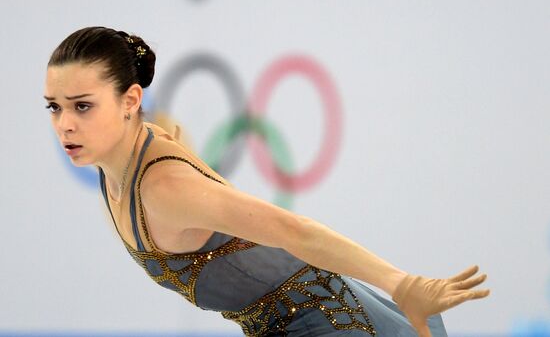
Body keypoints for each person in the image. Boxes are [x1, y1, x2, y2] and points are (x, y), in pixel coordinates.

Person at [44, 26, 490, 337]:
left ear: (130, 100)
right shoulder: (121, 164)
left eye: (82, 106)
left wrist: (401, 284)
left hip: (334, 325)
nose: (64, 124)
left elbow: (293, 231)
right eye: (54, 107)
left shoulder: (163, 189)